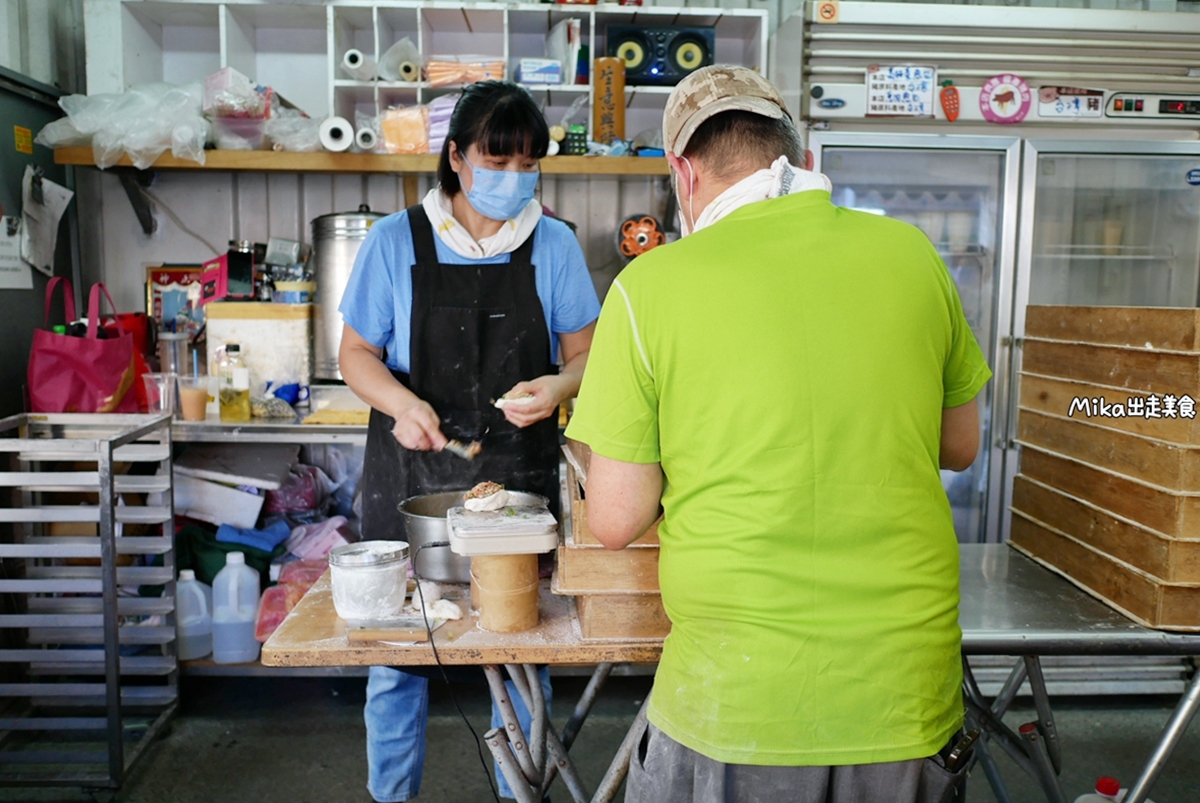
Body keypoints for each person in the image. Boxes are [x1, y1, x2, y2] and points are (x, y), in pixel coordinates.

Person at [565, 65, 991, 803]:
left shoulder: (651, 285)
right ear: (801, 161)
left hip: (742, 698)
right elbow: (960, 446)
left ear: (683, 171)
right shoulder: (914, 255)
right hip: (905, 692)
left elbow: (615, 518)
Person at [338, 81, 600, 803]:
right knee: (398, 662)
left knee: (518, 650)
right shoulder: (395, 242)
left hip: (516, 485)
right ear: (456, 158)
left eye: (528, 165)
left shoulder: (554, 243)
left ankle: (525, 791)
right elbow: (355, 351)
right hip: (410, 478)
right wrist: (400, 402)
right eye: (498, 160)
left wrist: (557, 387)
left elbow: (587, 355)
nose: (513, 178)